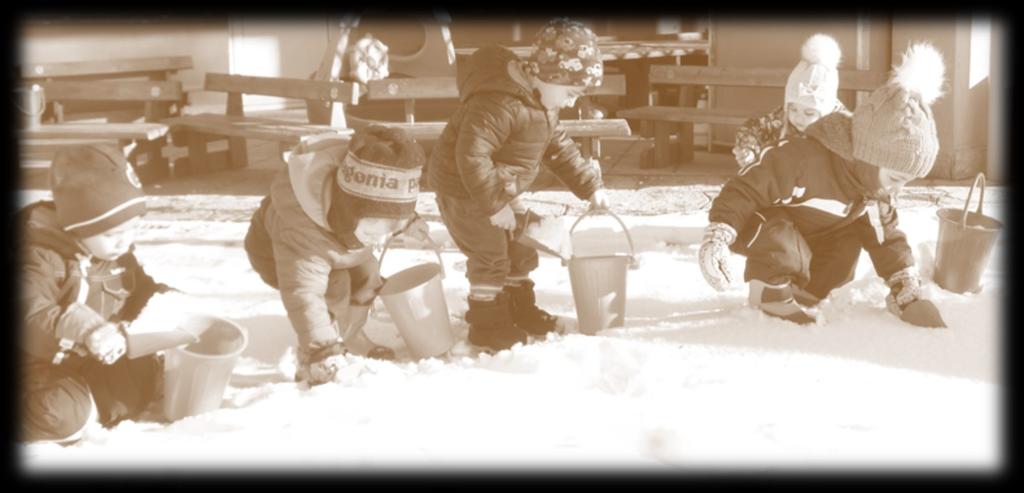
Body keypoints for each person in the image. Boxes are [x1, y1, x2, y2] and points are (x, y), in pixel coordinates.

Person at [699, 42, 948, 328]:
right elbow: (745, 188)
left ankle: (808, 291)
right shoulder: (804, 157)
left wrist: (903, 284)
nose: (896, 190)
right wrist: (719, 234)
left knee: (847, 242)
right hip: (759, 223)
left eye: (905, 182)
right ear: (869, 157)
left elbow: (886, 239)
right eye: (894, 178)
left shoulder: (873, 191)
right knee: (781, 239)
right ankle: (768, 293)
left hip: (813, 230)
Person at [426, 18, 611, 350]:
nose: (571, 103)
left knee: (520, 246)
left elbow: (560, 149)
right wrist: (495, 205)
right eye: (570, 92)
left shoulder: (542, 104)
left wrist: (590, 186)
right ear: (548, 74)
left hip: (498, 187)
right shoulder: (499, 103)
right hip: (464, 190)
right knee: (491, 253)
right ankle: (486, 323)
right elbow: (471, 156)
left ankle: (516, 308)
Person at [243, 125, 429, 386]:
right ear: (349, 211)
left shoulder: (360, 201)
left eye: (390, 227)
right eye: (375, 227)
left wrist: (407, 223)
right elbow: (304, 294)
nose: (381, 236)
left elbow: (383, 202)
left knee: (368, 273)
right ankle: (320, 354)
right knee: (335, 286)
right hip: (278, 253)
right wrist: (321, 349)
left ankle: (351, 335)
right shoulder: (298, 229)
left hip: (339, 240)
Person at [19, 144, 171, 443]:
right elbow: (30, 313)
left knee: (140, 386)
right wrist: (87, 329)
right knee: (57, 414)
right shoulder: (41, 258)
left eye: (132, 230)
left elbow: (139, 290)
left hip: (94, 360)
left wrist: (170, 302)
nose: (124, 243)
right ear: (78, 227)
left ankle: (91, 406)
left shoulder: (116, 254)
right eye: (112, 234)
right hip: (41, 365)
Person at [732, 33, 850, 172]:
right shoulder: (782, 117)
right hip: (787, 178)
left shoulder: (840, 125)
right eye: (793, 109)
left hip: (823, 184)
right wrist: (748, 149)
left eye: (809, 113)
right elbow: (752, 128)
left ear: (825, 112)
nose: (799, 117)